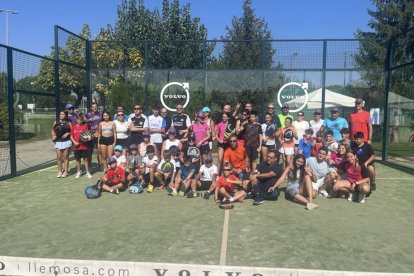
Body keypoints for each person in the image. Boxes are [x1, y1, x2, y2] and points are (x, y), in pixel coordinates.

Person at [71, 113, 92, 179]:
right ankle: (78, 171)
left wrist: (89, 138)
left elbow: (88, 135)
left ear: (82, 120)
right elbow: (71, 136)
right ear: (76, 120)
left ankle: (87, 172)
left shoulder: (85, 126)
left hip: (84, 146)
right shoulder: (73, 126)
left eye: (81, 120)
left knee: (85, 159)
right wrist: (74, 142)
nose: (79, 121)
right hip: (76, 147)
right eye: (78, 119)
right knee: (78, 160)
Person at [51, 111, 72, 178]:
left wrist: (67, 133)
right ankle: (60, 172)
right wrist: (53, 136)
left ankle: (65, 172)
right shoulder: (56, 122)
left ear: (65, 115)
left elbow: (72, 131)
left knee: (65, 158)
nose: (61, 115)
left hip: (66, 142)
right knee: (59, 158)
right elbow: (53, 130)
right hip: (58, 142)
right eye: (60, 114)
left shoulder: (68, 123)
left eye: (62, 114)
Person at [85, 102, 102, 169]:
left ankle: (100, 164)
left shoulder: (100, 114)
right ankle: (89, 166)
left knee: (99, 150)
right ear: (91, 108)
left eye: (95, 106)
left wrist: (98, 126)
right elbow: (84, 122)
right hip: (90, 134)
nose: (94, 108)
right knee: (90, 150)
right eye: (93, 106)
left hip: (98, 134)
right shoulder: (88, 115)